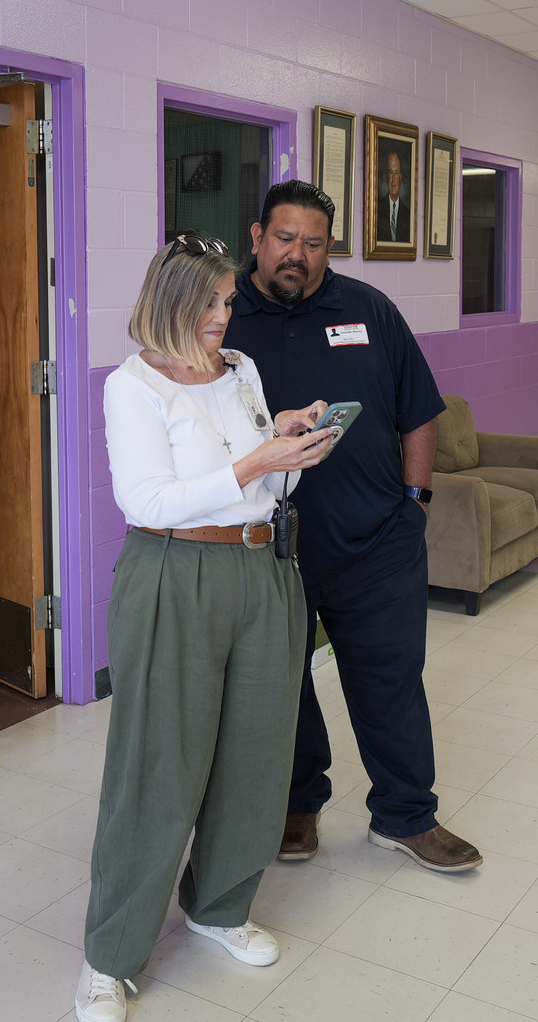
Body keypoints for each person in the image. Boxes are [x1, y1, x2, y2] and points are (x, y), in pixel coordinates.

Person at [75, 230, 333, 1022]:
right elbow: (147, 502)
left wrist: (284, 441)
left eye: (228, 300)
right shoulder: (135, 385)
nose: (225, 314)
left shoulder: (242, 369)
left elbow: (253, 465)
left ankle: (219, 906)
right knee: (160, 765)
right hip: (175, 574)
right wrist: (256, 464)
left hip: (264, 568)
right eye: (212, 301)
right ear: (171, 300)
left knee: (256, 753)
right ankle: (110, 956)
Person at [225, 181, 482, 874]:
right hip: (271, 549)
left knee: (391, 678)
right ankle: (298, 804)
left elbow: (419, 409)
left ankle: (406, 815)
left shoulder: (369, 309)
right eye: (284, 239)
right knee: (283, 683)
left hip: (376, 544)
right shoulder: (222, 317)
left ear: (327, 247)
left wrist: (416, 502)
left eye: (313, 244)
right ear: (257, 237)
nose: (297, 257)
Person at [376, 150, 411, 243]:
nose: (393, 179)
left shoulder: (409, 215)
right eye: (391, 172)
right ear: (387, 176)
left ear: (400, 176)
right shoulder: (376, 210)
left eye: (396, 173)